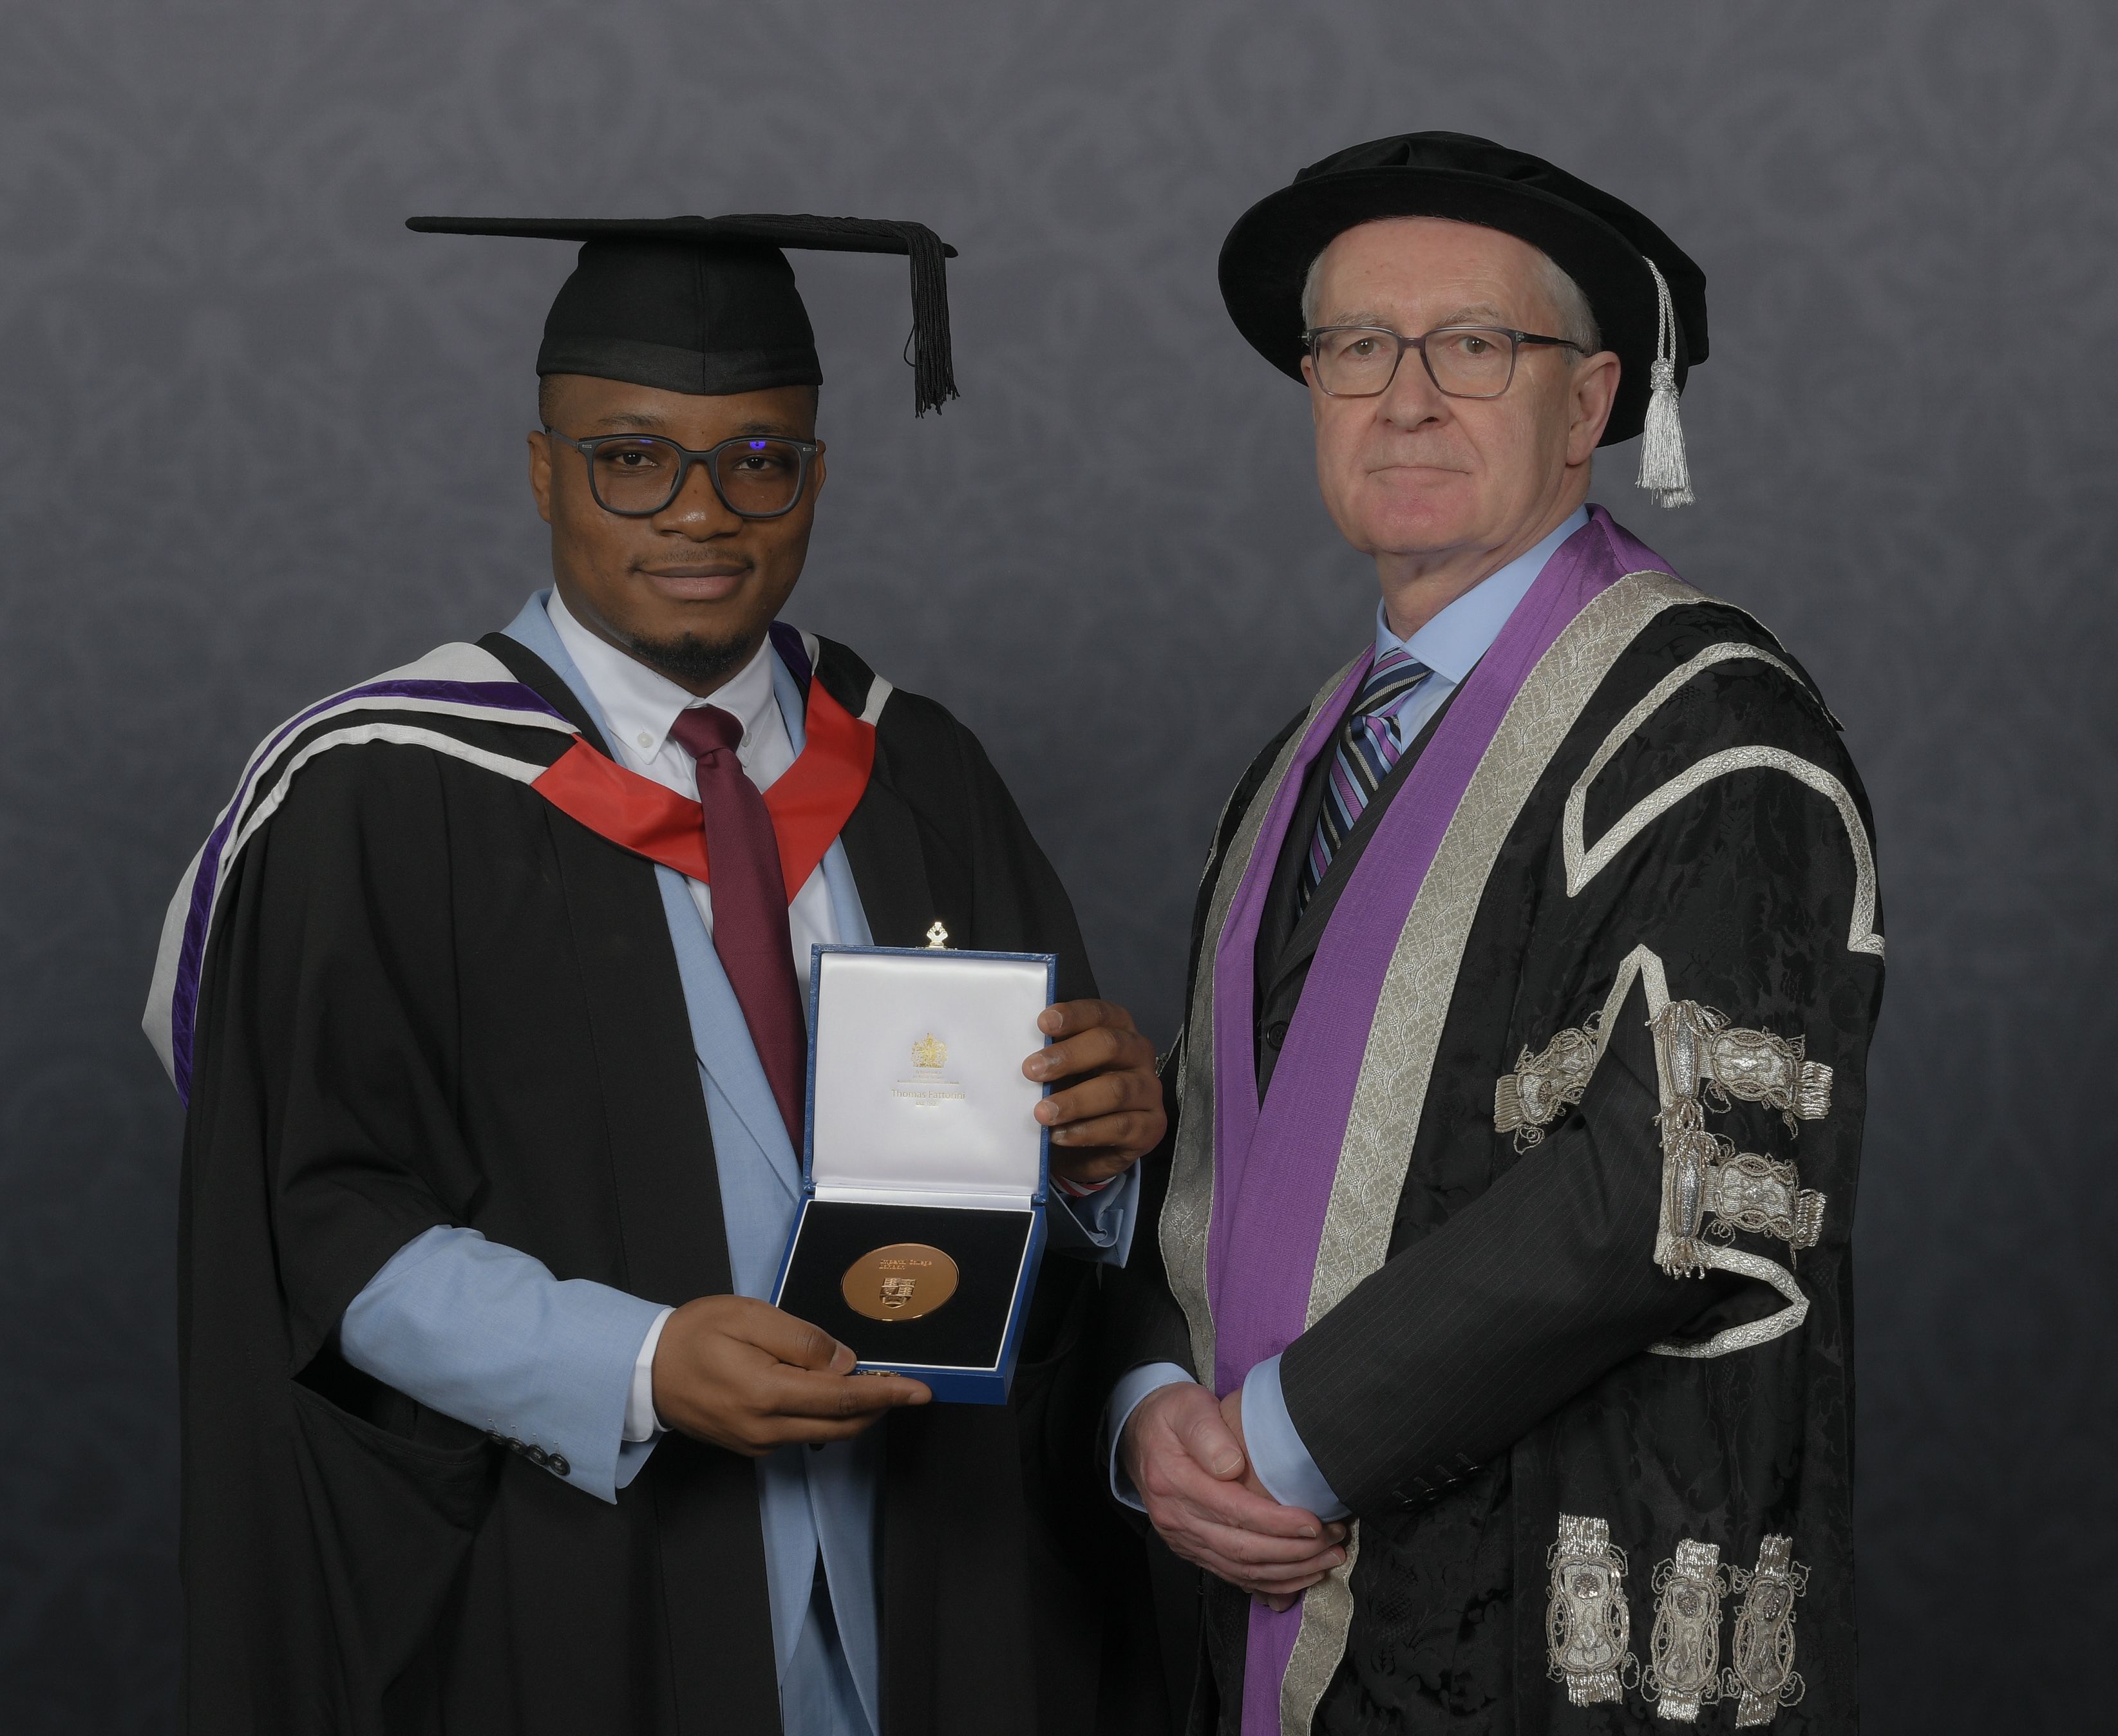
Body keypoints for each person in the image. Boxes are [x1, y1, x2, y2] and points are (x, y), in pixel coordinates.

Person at [145, 212, 1169, 1735]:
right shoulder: (380, 791)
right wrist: (634, 1361)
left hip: (928, 1589)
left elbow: (1053, 1185)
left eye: (758, 459)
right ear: (544, 468)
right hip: (571, 1588)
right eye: (632, 456)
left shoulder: (916, 768)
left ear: (814, 479)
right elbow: (313, 1218)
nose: (699, 512)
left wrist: (1100, 1155)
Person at [1107, 134, 1880, 1734]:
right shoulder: (1300, 762)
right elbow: (1212, 1166)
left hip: (1534, 1604)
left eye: (1471, 346)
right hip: (1247, 1585)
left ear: (1588, 402)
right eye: (1352, 350)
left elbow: (1655, 1186)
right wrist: (1146, 1417)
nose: (1403, 397)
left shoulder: (1706, 735)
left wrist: (1278, 1437)